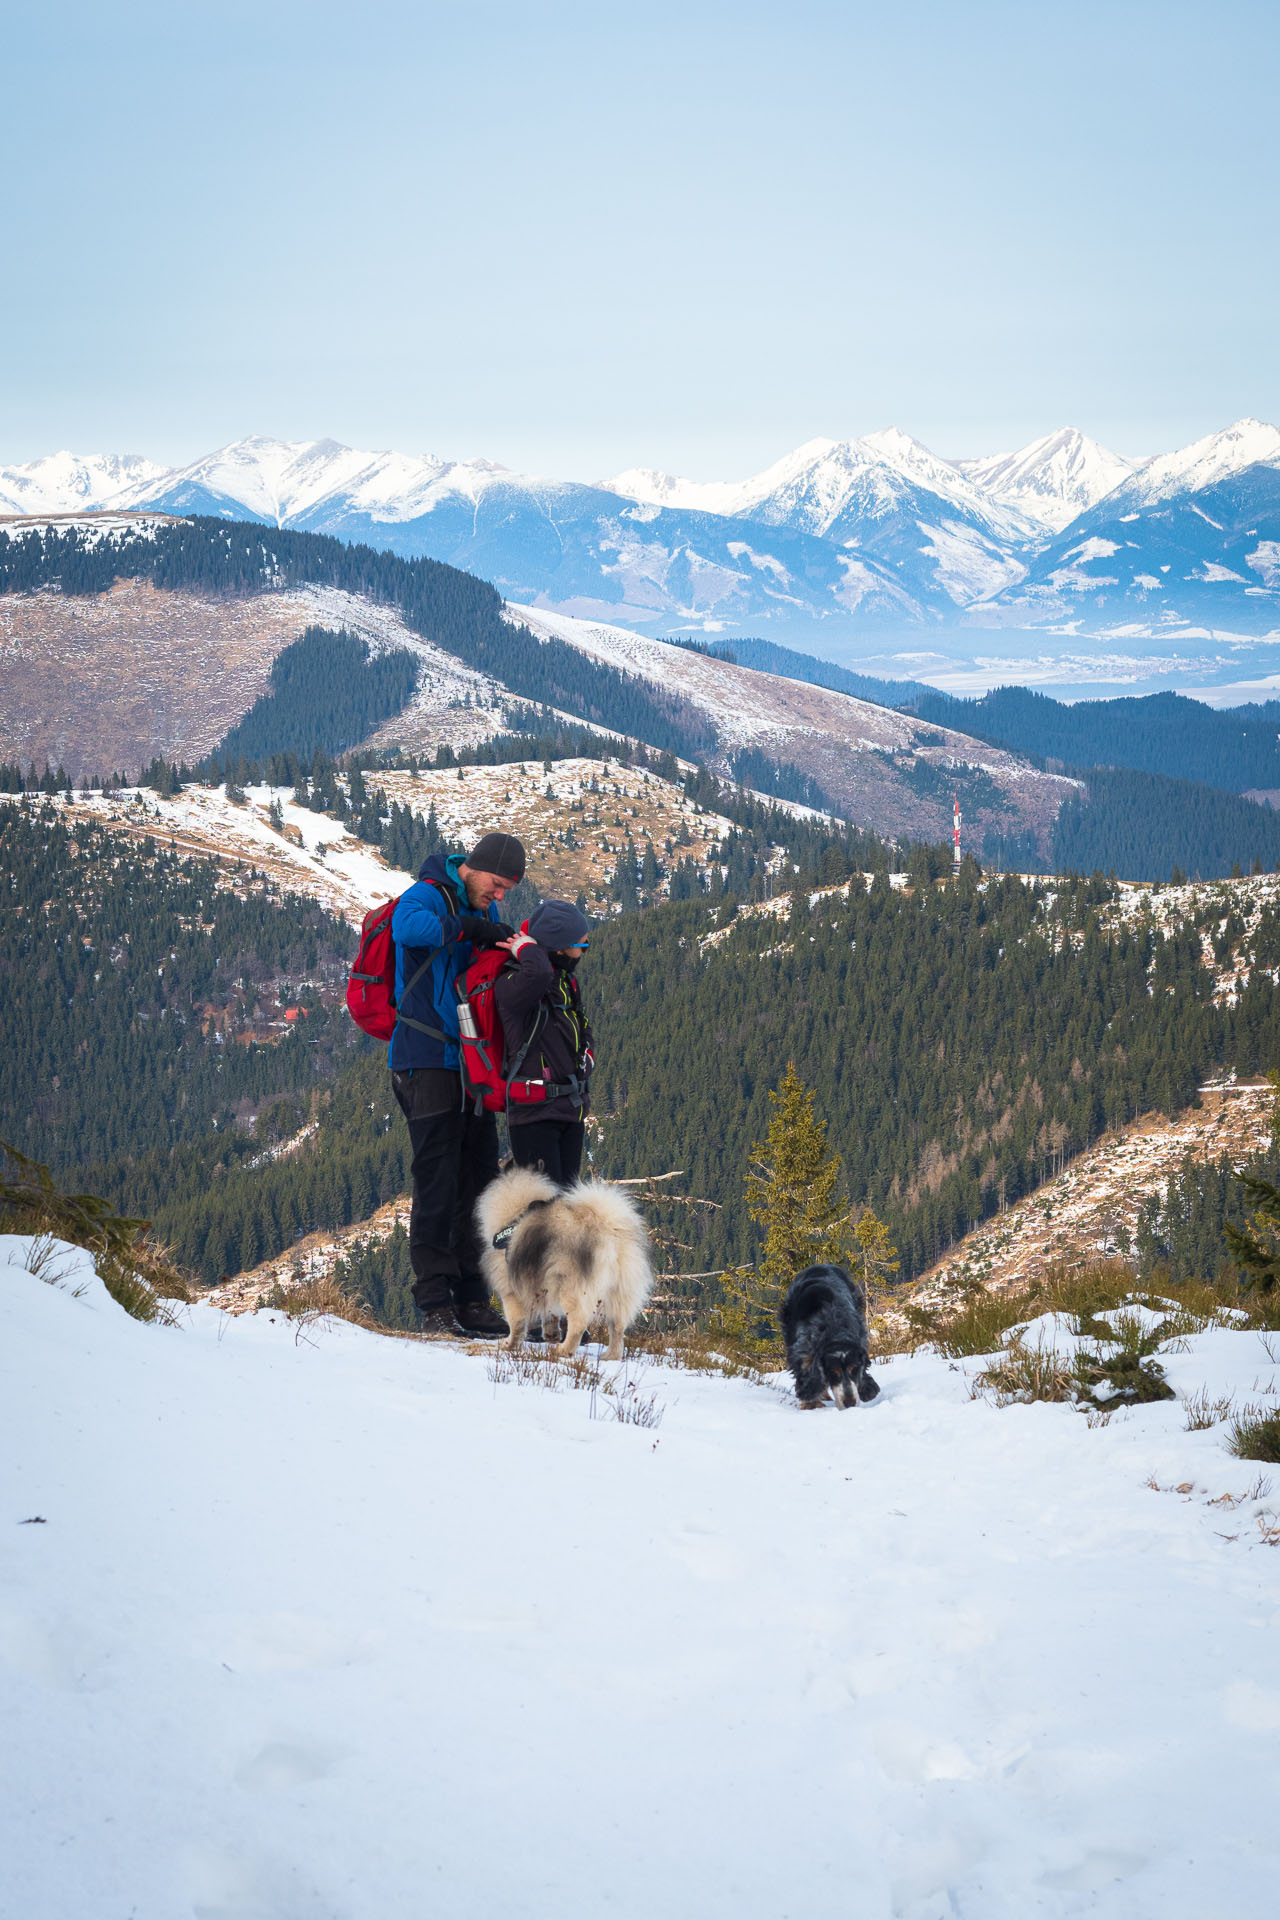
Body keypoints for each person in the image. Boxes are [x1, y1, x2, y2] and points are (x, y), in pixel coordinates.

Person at [389, 831, 525, 1336]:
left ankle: (472, 1298)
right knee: (437, 1181)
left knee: (480, 1183)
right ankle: (434, 1303)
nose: (499, 895)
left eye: (507, 890)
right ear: (475, 866)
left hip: (470, 1066)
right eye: (497, 884)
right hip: (424, 1058)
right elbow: (410, 928)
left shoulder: (482, 910)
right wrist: (468, 926)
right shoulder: (426, 892)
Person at [494, 899, 594, 1187]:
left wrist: (586, 1061)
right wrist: (528, 949)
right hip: (534, 1114)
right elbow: (537, 972)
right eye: (582, 946)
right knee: (544, 1211)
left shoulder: (565, 982)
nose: (584, 952)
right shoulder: (516, 983)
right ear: (559, 948)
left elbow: (582, 1026)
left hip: (568, 1107)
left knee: (566, 1206)